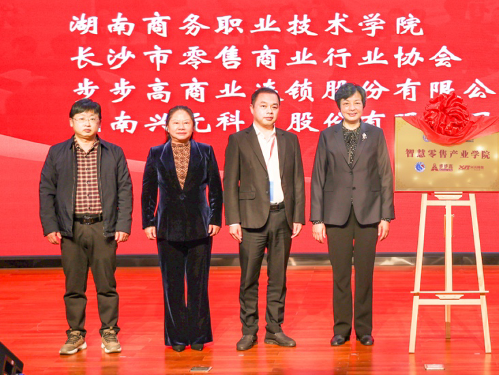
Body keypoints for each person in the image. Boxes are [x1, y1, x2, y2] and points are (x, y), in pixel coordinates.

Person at [39, 98, 133, 355]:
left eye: (92, 118)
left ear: (100, 122)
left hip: (103, 227)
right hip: (71, 228)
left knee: (107, 285)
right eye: (81, 119)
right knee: (74, 286)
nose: (87, 123)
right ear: (71, 122)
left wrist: (123, 224)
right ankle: (76, 334)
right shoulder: (57, 152)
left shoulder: (113, 152)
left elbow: (125, 190)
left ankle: (109, 332)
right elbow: (46, 190)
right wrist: (50, 225)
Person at [310, 83, 395, 347]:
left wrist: (385, 216)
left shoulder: (375, 134)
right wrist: (317, 219)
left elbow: (385, 175)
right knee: (341, 276)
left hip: (368, 213)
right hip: (336, 215)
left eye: (356, 102)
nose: (351, 108)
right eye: (346, 103)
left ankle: (364, 329)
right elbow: (318, 177)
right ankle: (342, 329)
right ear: (339, 106)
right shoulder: (327, 135)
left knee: (365, 274)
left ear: (364, 105)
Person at [223, 87, 305, 351]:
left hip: (282, 215)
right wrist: (233, 219)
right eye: (263, 106)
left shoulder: (290, 139)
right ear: (252, 108)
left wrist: (298, 216)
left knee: (278, 277)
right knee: (249, 277)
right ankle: (249, 331)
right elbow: (230, 182)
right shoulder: (239, 140)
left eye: (274, 106)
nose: (269, 111)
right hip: (250, 218)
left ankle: (274, 328)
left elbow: (297, 180)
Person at [141, 105, 223, 352]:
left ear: (193, 126)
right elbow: (148, 190)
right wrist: (148, 221)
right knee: (172, 285)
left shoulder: (205, 151)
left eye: (186, 122)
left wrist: (215, 218)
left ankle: (198, 336)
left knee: (199, 284)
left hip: (200, 226)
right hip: (167, 226)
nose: (181, 127)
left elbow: (216, 189)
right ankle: (177, 337)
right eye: (176, 122)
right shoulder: (156, 153)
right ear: (167, 127)